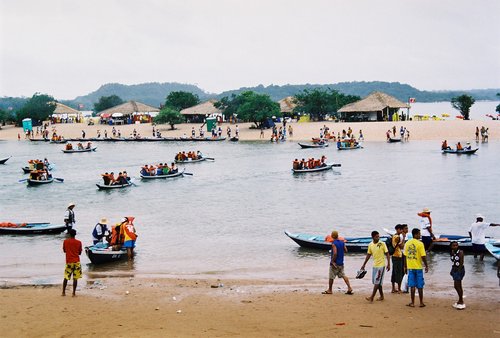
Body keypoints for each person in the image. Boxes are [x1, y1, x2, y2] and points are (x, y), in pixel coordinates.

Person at [360, 231, 390, 302]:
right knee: (376, 281)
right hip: (375, 266)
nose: (378, 238)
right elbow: (368, 255)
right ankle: (382, 296)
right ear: (372, 237)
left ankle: (372, 297)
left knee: (377, 281)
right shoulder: (370, 244)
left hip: (381, 266)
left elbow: (387, 253)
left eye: (378, 236)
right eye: (376, 237)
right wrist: (364, 264)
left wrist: (389, 264)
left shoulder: (382, 244)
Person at [322, 231, 353, 295]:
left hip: (335, 263)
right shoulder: (342, 242)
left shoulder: (334, 243)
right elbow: (346, 250)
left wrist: (333, 261)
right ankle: (349, 287)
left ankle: (330, 290)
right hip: (341, 263)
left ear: (332, 236)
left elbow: (335, 253)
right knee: (343, 275)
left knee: (331, 276)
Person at [404, 228, 429, 307]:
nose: (420, 235)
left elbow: (405, 256)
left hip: (410, 267)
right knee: (420, 285)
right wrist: (426, 265)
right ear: (415, 234)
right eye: (419, 234)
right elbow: (423, 256)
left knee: (412, 285)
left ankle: (412, 302)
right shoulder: (420, 244)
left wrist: (405, 266)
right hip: (418, 267)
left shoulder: (407, 243)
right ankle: (421, 302)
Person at [62, 229, 82, 297]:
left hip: (69, 261)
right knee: (75, 278)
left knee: (66, 277)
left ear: (69, 234)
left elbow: (64, 250)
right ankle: (73, 293)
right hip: (76, 261)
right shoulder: (79, 242)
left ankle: (63, 292)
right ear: (75, 234)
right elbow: (79, 253)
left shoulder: (65, 241)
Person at [450, 241, 465, 309]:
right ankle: (460, 300)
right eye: (454, 245)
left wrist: (458, 272)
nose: (455, 246)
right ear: (451, 246)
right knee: (457, 286)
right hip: (454, 270)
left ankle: (461, 300)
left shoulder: (460, 252)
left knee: (457, 286)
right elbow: (454, 262)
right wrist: (452, 270)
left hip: (459, 270)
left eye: (456, 245)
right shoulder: (452, 252)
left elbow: (461, 263)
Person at [391, 224, 405, 293]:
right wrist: (404, 238)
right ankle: (399, 288)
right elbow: (402, 246)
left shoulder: (394, 236)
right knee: (399, 272)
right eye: (401, 229)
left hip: (394, 255)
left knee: (394, 272)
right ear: (398, 229)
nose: (402, 231)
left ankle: (393, 288)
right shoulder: (397, 237)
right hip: (397, 255)